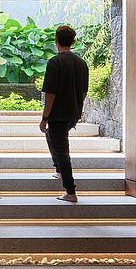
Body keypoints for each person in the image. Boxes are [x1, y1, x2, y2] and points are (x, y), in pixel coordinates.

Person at [39, 25, 89, 202]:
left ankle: (70, 191)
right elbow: (84, 92)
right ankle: (59, 170)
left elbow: (50, 94)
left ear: (56, 41)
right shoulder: (82, 63)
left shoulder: (55, 62)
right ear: (73, 42)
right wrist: (76, 108)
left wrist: (45, 117)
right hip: (72, 113)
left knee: (62, 151)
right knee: (52, 138)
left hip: (58, 114)